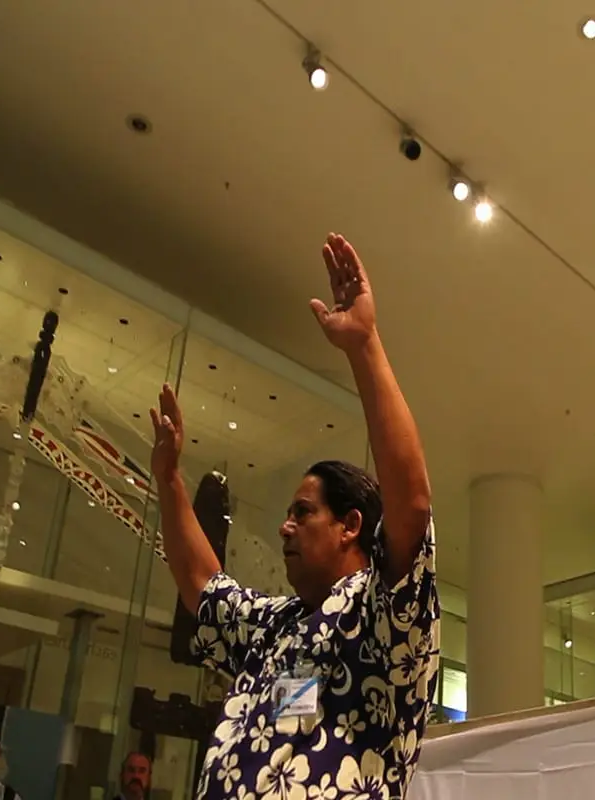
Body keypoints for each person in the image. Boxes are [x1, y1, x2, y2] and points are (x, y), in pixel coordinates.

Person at [150, 233, 439, 800]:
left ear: (350, 525)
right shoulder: (275, 627)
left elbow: (413, 504)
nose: (285, 526)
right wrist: (168, 482)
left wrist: (364, 346)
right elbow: (202, 585)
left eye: (303, 513)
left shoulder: (383, 615)